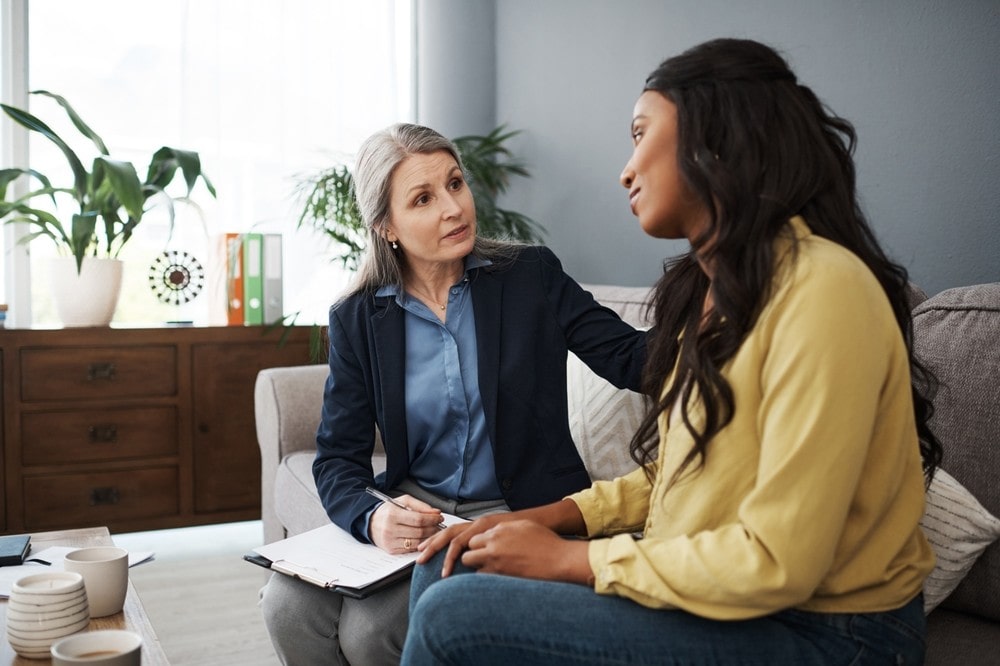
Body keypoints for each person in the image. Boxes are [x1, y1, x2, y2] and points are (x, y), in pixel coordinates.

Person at [401, 38, 944, 666]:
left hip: (832, 631)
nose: (625, 169)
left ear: (714, 138)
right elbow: (686, 474)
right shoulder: (718, 295)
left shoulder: (824, 289)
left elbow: (779, 561)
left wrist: (574, 560)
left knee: (451, 615)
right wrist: (550, 519)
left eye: (640, 134)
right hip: (740, 600)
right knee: (448, 566)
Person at [258, 122, 649, 665]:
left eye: (455, 184)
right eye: (423, 198)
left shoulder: (529, 276)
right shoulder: (358, 318)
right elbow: (339, 460)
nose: (454, 207)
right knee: (286, 607)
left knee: (373, 633)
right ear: (386, 227)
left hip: (515, 509)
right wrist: (374, 517)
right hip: (419, 511)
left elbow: (631, 358)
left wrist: (730, 324)